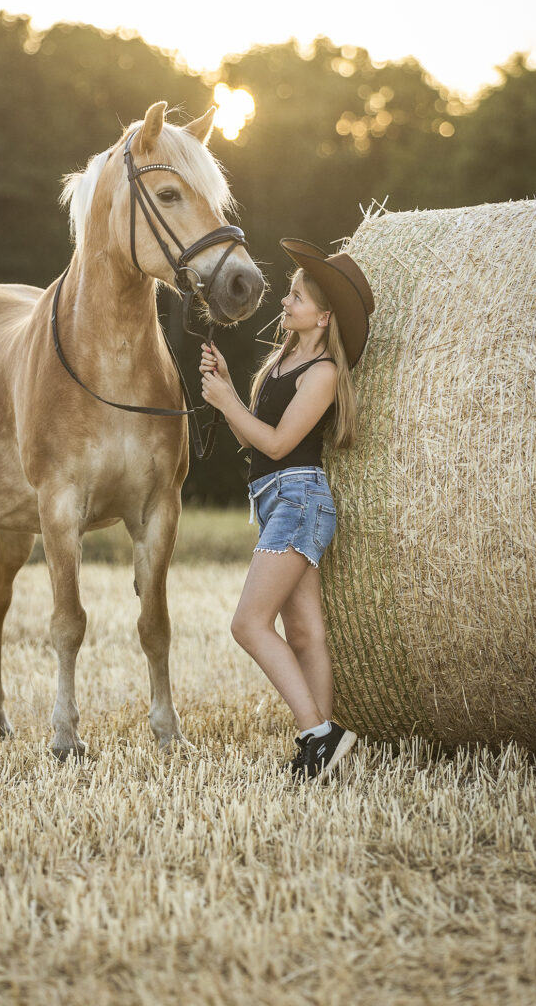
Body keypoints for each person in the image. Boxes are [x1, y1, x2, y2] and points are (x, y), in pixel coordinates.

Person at [200, 239, 375, 780]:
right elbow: (256, 439)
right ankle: (324, 756)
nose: (285, 300)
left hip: (300, 501)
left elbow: (276, 445)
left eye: (296, 296)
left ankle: (318, 735)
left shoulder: (322, 372)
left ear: (323, 317)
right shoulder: (284, 360)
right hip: (279, 498)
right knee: (304, 635)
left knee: (248, 623)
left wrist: (227, 403)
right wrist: (229, 388)